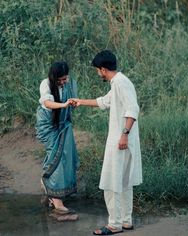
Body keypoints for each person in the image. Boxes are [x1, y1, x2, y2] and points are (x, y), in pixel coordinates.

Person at [73, 50, 142, 235]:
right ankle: (126, 222)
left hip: (120, 139)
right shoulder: (119, 82)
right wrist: (80, 102)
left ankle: (114, 224)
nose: (98, 73)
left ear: (103, 69)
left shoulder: (120, 82)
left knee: (111, 183)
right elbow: (105, 101)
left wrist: (124, 134)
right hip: (124, 139)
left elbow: (133, 108)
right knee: (124, 181)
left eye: (98, 70)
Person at [35, 61, 79, 215]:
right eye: (59, 80)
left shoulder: (70, 83)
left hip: (63, 124)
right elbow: (47, 102)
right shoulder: (45, 84)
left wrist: (72, 104)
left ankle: (50, 189)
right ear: (53, 77)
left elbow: (72, 101)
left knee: (67, 157)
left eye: (64, 79)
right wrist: (63, 105)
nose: (62, 82)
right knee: (56, 158)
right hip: (48, 125)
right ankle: (56, 199)